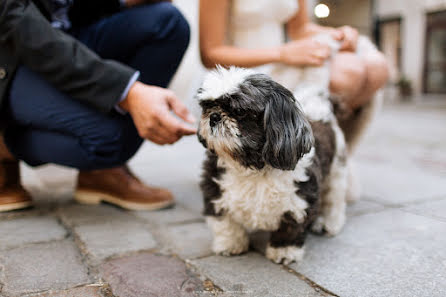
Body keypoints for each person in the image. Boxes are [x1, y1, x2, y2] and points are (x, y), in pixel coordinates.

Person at [0, 0, 197, 212]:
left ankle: (97, 173)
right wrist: (128, 92)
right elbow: (20, 26)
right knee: (110, 140)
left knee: (167, 24)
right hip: (12, 56)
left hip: (64, 33)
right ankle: (5, 144)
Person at [199, 0, 389, 151]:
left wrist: (338, 34)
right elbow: (210, 53)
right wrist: (283, 53)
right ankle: (307, 152)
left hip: (285, 60)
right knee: (347, 74)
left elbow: (300, 29)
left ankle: (330, 151)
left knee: (377, 67)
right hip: (243, 72)